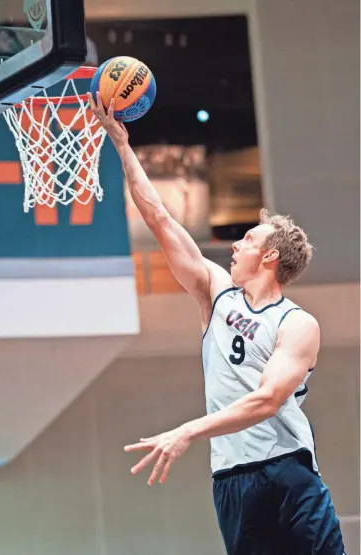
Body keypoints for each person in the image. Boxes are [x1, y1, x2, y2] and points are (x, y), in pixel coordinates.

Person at [88, 93, 345, 555]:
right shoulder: (216, 292)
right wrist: (124, 147)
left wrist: (187, 430)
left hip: (286, 470)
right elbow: (160, 218)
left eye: (246, 239)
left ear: (269, 256)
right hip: (231, 479)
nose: (234, 245)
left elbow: (268, 400)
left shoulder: (297, 324)